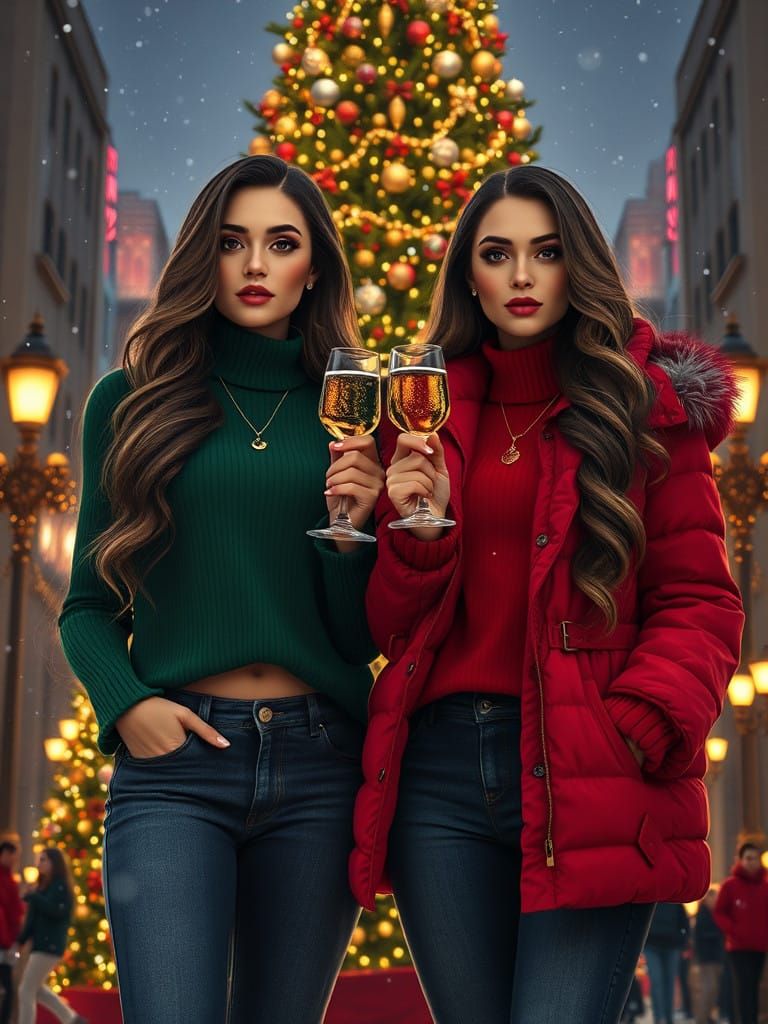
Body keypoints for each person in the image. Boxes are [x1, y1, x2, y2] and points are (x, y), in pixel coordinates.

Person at [350, 165, 744, 1024]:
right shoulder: (425, 416)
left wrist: (637, 724)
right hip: (440, 780)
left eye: (546, 251)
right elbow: (388, 625)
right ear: (469, 276)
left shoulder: (646, 413)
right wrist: (418, 533)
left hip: (588, 770)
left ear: (579, 266)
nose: (522, 276)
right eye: (497, 254)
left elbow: (702, 600)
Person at [58, 155, 383, 1024]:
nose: (253, 265)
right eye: (232, 241)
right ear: (203, 255)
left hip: (322, 766)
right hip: (174, 768)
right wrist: (130, 706)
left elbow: (357, 640)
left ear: (313, 268)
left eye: (281, 244)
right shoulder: (131, 400)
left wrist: (352, 533)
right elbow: (87, 606)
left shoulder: (354, 411)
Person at [16, 848, 87, 1024]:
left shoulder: (60, 886)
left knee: (26, 990)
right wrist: (21, 941)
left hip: (50, 946)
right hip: (40, 946)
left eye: (43, 860)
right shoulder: (41, 888)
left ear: (54, 863)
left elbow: (56, 910)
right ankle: (72, 1019)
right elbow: (31, 920)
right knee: (37, 990)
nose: (39, 864)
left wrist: (34, 897)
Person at [713, 842, 768, 1024]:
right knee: (743, 988)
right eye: (748, 858)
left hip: (760, 946)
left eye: (755, 859)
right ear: (741, 860)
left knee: (753, 987)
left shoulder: (765, 886)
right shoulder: (730, 885)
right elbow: (719, 912)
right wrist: (733, 930)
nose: (752, 863)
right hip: (737, 947)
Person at [644, 902, 691, 1023]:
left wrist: (682, 942)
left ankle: (669, 1018)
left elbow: (685, 922)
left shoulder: (676, 902)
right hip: (651, 946)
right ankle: (659, 1018)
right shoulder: (651, 898)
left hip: (672, 946)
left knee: (670, 982)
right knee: (656, 981)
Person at [692, 887, 725, 1024]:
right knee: (708, 988)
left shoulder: (716, 913)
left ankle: (708, 1016)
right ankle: (702, 1018)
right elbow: (700, 936)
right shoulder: (702, 914)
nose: (715, 900)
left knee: (714, 989)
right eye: (713, 897)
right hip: (706, 957)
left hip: (717, 956)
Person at [0, 840, 23, 1024]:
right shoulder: (4, 880)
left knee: (7, 987)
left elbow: (15, 911)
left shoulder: (10, 879)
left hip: (7, 940)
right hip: (3, 940)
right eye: (12, 854)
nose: (14, 859)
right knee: (7, 987)